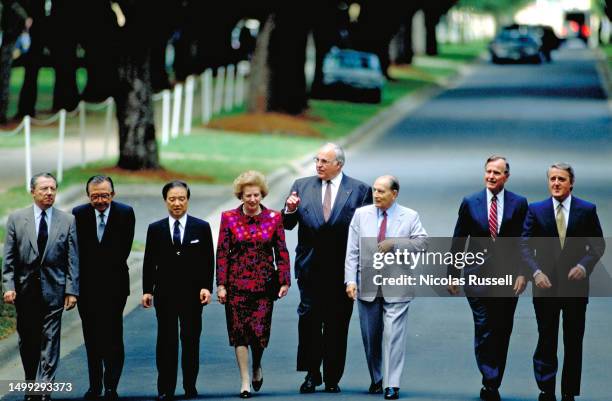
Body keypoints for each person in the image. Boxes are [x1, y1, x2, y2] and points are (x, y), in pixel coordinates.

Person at [283, 142, 372, 393]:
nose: (319, 165)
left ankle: (332, 376)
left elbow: (365, 230)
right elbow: (288, 224)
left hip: (342, 270)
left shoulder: (359, 190)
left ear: (339, 165)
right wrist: (289, 210)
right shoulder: (301, 185)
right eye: (317, 160)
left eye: (324, 161)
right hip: (310, 267)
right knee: (309, 320)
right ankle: (312, 374)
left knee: (337, 323)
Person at [520, 163, 605, 401]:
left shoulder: (586, 210)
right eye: (552, 179)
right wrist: (535, 272)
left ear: (571, 183)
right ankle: (546, 388)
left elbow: (598, 244)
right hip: (545, 285)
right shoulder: (536, 210)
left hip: (575, 287)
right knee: (547, 336)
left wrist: (583, 266)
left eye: (561, 179)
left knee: (573, 339)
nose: (556, 183)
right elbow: (524, 245)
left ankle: (569, 391)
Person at [447, 155, 528, 401]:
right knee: (484, 327)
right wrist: (453, 275)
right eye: (488, 172)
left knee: (502, 328)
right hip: (477, 278)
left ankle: (494, 376)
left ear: (506, 176)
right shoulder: (471, 202)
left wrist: (524, 274)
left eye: (497, 173)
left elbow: (526, 242)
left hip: (508, 278)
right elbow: (459, 240)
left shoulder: (519, 203)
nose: (491, 176)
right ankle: (489, 380)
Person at [345, 175, 427, 400]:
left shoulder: (409, 216)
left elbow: (422, 243)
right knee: (371, 338)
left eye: (382, 191)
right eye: (375, 190)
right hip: (367, 284)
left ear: (395, 193)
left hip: (397, 284)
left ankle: (392, 384)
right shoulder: (362, 215)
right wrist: (350, 280)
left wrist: (395, 244)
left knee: (393, 336)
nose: (376, 195)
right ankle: (377, 377)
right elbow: (352, 250)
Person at [2, 172, 79, 400]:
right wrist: (8, 285)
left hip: (54, 290)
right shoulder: (16, 219)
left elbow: (72, 259)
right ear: (32, 191)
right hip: (25, 292)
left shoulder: (67, 220)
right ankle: (30, 382)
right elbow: (9, 258)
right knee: (28, 341)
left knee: (50, 339)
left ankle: (45, 388)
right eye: (44, 189)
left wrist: (71, 290)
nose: (49, 193)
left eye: (53, 189)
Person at [216, 170, 291, 399]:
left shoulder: (274, 218)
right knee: (239, 334)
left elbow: (281, 251)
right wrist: (221, 285)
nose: (252, 200)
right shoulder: (228, 217)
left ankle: (257, 364)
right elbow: (222, 253)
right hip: (236, 284)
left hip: (264, 285)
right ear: (241, 196)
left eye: (256, 195)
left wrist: (285, 280)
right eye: (248, 195)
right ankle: (245, 380)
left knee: (259, 334)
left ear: (262, 195)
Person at [142, 180, 215, 401]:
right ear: (165, 201)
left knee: (191, 339)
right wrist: (147, 290)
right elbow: (148, 261)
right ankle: (165, 387)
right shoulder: (155, 229)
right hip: (165, 293)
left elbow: (207, 260)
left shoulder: (201, 227)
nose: (177, 203)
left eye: (181, 198)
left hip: (193, 294)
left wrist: (206, 287)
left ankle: (190, 385)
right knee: (166, 341)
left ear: (187, 200)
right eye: (172, 199)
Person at [72, 175, 135, 401]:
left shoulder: (125, 213)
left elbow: (122, 251)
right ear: (88, 195)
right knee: (91, 337)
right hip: (87, 288)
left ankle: (111, 385)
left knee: (112, 335)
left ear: (113, 194)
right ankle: (94, 384)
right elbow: (76, 252)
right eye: (95, 196)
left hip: (114, 286)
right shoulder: (78, 214)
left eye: (105, 195)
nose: (100, 200)